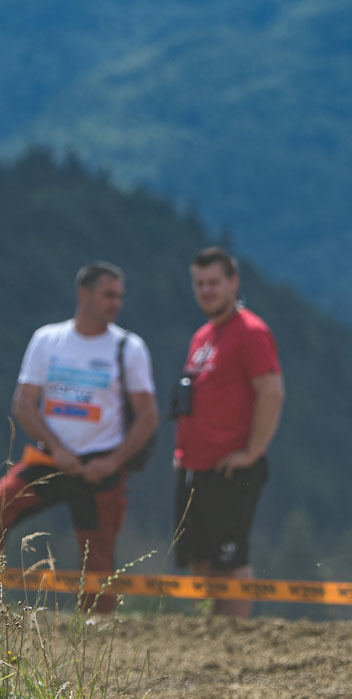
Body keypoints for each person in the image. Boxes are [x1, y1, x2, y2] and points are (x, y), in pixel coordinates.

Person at [0, 262, 157, 614]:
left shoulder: (129, 347)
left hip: (100, 467)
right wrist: (58, 450)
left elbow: (148, 416)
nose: (115, 303)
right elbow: (23, 404)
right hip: (47, 459)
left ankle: (95, 631)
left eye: (119, 296)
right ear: (83, 294)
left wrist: (112, 462)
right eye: (108, 295)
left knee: (98, 556)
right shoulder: (47, 340)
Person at [174, 247, 284, 620]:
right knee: (199, 557)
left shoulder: (250, 332)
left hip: (230, 468)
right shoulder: (203, 336)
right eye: (199, 283)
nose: (206, 291)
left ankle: (234, 639)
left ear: (233, 283)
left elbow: (272, 392)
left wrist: (252, 452)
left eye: (214, 283)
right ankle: (207, 633)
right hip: (192, 468)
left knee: (230, 560)